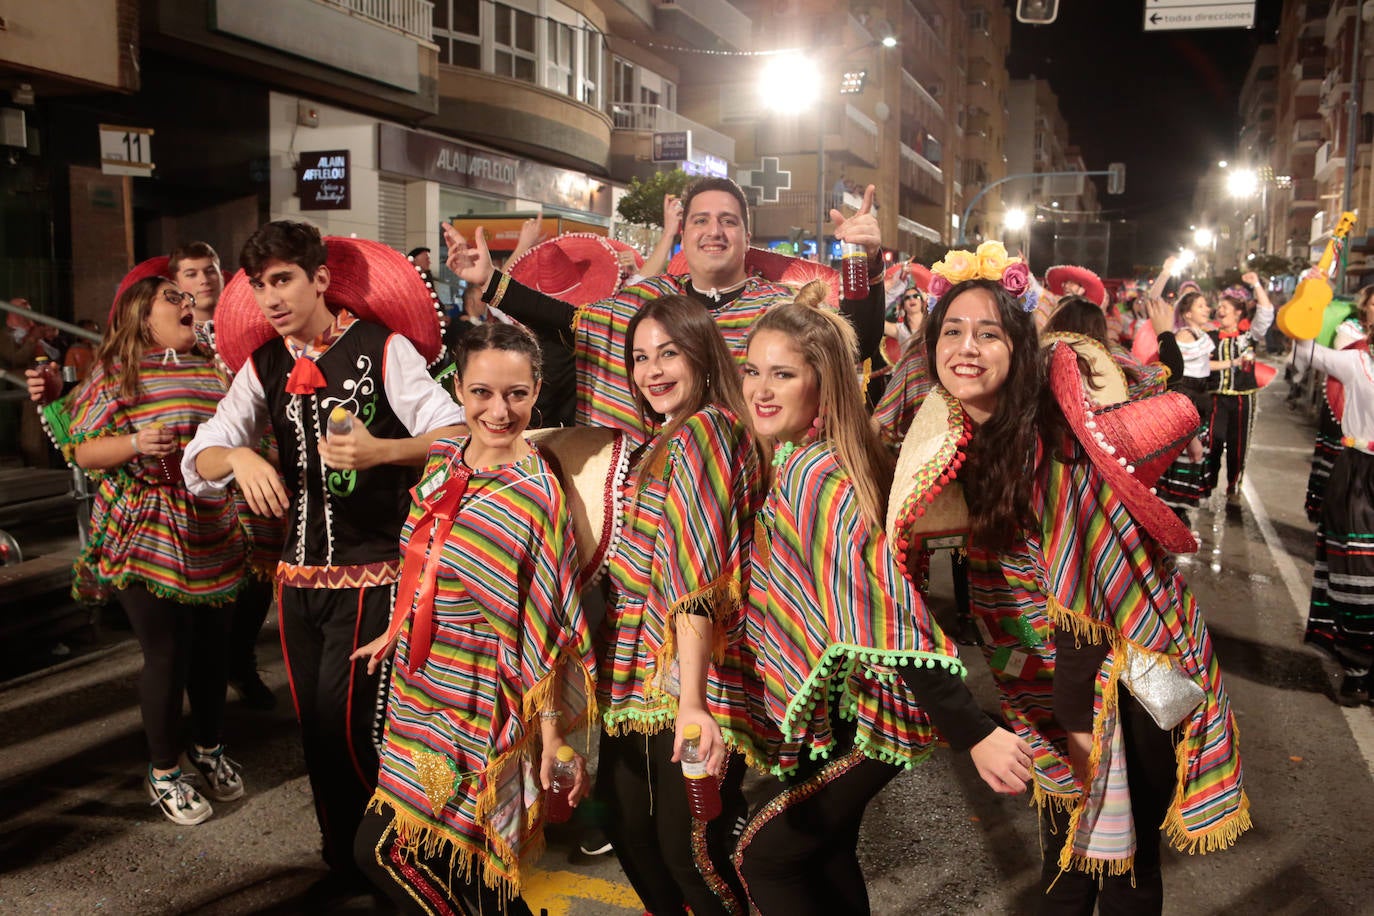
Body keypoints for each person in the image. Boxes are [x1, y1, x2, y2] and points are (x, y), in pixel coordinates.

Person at [899, 249, 1249, 912]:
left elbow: (1087, 592)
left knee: (1124, 860)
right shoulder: (943, 434)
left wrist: (1075, 723)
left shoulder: (1052, 436)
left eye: (988, 333)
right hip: (1042, 676)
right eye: (951, 331)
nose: (966, 347)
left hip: (1125, 673)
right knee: (1067, 855)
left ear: (1017, 346)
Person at [732, 284, 1032, 914]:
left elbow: (885, 613)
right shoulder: (801, 454)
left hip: (876, 715)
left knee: (765, 857)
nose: (760, 389)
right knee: (828, 851)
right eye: (752, 370)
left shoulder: (819, 476)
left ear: (821, 384)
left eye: (782, 374)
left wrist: (973, 731)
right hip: (846, 703)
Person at [183, 221, 466, 890]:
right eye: (259, 285)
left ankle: (393, 863)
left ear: (319, 280)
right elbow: (203, 453)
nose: (270, 297)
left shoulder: (382, 349)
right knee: (313, 731)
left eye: (282, 280)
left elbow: (456, 432)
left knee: (349, 728)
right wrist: (243, 454)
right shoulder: (265, 366)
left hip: (371, 576)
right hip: (296, 579)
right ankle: (344, 859)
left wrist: (383, 451)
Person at [351, 322, 597, 912]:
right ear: (457, 389)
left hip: (478, 703)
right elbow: (427, 557)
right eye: (482, 392)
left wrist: (553, 738)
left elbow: (546, 625)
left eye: (516, 393)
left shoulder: (535, 493)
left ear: (537, 390)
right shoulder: (443, 457)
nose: (499, 409)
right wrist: (396, 627)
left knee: (385, 853)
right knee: (474, 879)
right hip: (419, 690)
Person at [31, 275, 249, 825]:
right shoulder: (116, 372)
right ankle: (162, 770)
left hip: (211, 524)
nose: (187, 302)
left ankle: (207, 746)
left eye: (187, 296)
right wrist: (133, 443)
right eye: (171, 297)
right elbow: (81, 451)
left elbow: (241, 438)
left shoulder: (214, 369)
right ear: (139, 315)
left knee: (213, 652)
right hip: (143, 527)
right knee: (167, 653)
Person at [443, 176, 887, 440]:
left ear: (746, 238)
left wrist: (865, 262)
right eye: (701, 220)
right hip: (649, 506)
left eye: (728, 221)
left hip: (753, 500)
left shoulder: (778, 310)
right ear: (684, 235)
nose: (714, 231)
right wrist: (489, 280)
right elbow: (571, 323)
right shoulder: (644, 300)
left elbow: (854, 345)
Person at [592, 294, 761, 916]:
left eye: (669, 353)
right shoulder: (667, 435)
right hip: (638, 672)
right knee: (630, 822)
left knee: (691, 850)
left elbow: (697, 572)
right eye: (640, 358)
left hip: (686, 672)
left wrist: (693, 699)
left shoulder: (706, 432)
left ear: (701, 354)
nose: (652, 371)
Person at [1294, 319, 1374, 705]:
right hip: (1359, 473)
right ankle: (1357, 669)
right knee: (1356, 572)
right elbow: (1304, 351)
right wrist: (1311, 295)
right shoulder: (1357, 364)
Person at [1305, 285, 1374, 522]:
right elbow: (1341, 365)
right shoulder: (1350, 332)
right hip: (1343, 405)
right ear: (1365, 306)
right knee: (1337, 466)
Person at [1204, 275, 1275, 505]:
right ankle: (1209, 482)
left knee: (1238, 444)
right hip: (1216, 397)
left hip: (1244, 398)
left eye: (1225, 307)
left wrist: (1256, 284)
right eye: (1219, 306)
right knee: (1213, 440)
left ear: (1237, 312)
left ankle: (1234, 485)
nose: (1219, 310)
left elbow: (1266, 311)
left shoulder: (1249, 335)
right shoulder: (1210, 336)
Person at [170, 241, 224, 325]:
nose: (204, 280)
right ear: (176, 286)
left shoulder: (245, 325)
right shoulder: (173, 335)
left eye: (210, 271)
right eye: (191, 275)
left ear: (222, 276)